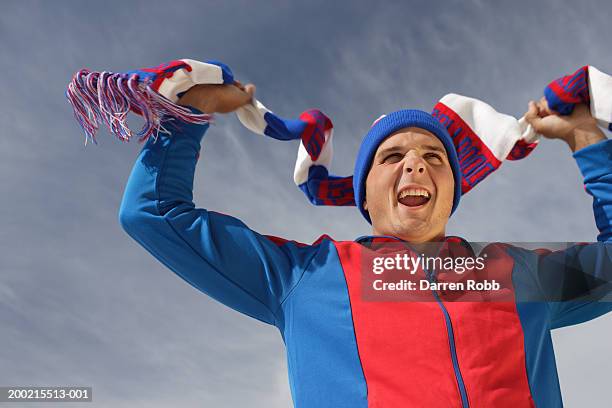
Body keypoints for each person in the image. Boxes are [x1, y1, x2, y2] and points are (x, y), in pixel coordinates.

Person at [118, 81, 612, 407]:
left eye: (434, 157)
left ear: (452, 193)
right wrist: (191, 110)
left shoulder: (517, 273)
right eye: (392, 155)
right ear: (366, 196)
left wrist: (586, 137)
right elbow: (152, 212)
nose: (415, 165)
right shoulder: (305, 275)